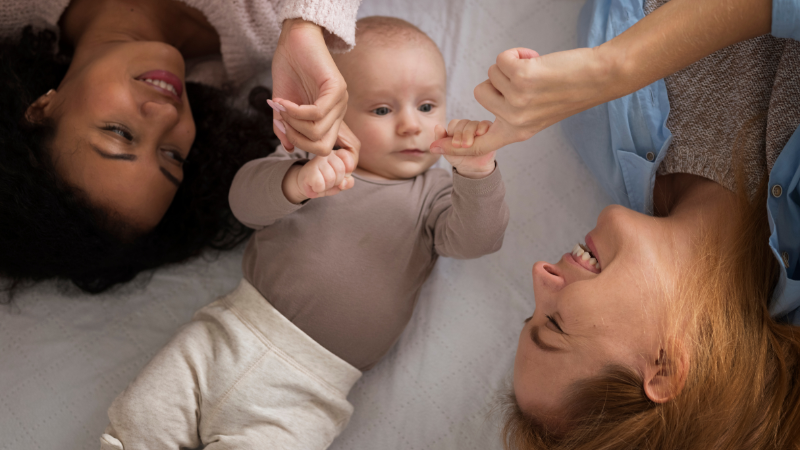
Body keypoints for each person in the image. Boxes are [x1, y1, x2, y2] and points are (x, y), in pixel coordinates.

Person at [99, 16, 509, 449]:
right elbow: (244, 204)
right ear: (335, 113)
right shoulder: (307, 158)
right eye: (383, 109)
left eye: (427, 107)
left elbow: (478, 240)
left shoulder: (437, 195)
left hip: (308, 393)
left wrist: (478, 173)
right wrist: (295, 183)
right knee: (143, 416)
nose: (411, 125)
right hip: (226, 335)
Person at [430, 0, 800, 447]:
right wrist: (613, 68)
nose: (539, 275)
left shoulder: (596, 127)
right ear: (662, 368)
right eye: (555, 326)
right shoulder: (597, 83)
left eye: (532, 313)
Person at [0, 0, 359, 294]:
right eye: (172, 155)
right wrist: (306, 26)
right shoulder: (275, 29)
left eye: (119, 132)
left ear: (41, 109)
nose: (166, 115)